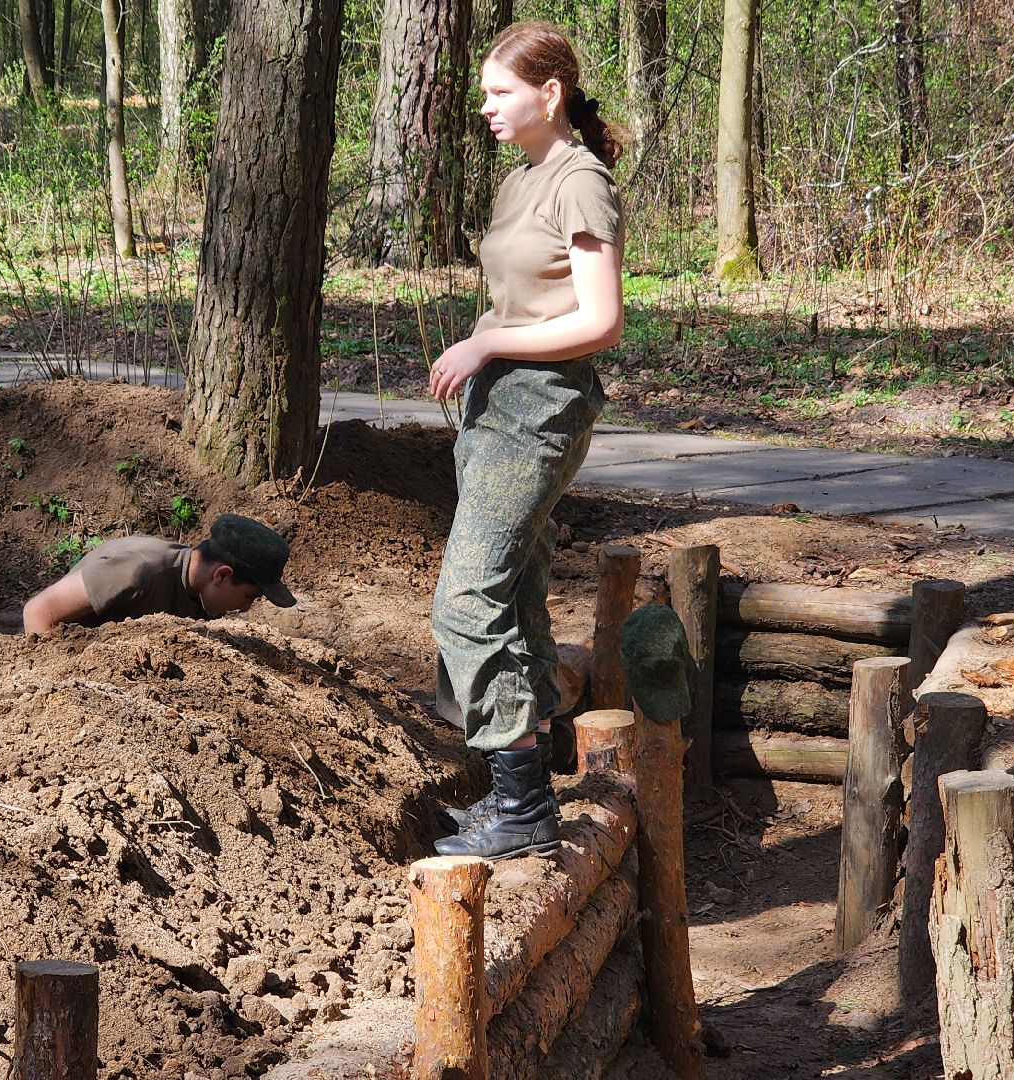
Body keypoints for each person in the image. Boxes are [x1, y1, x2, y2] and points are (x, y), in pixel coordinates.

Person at [429, 21, 625, 860]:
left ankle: (520, 806)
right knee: (512, 592)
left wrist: (489, 345)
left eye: (500, 91)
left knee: (466, 602)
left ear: (549, 94)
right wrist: (482, 342)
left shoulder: (579, 180)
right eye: (483, 93)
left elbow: (600, 322)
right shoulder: (523, 181)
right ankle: (525, 788)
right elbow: (522, 303)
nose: (485, 107)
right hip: (496, 405)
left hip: (541, 410)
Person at [22, 513, 296, 633]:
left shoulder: (198, 593)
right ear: (221, 576)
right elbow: (37, 612)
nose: (246, 608)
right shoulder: (136, 571)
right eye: (250, 596)